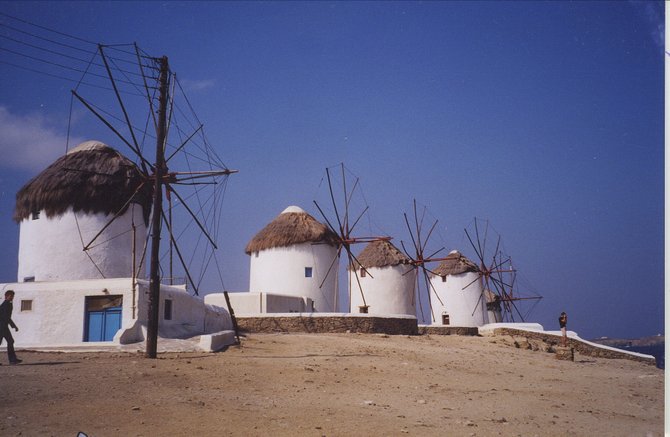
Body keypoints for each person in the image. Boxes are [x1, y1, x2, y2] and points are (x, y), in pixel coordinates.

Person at [0, 290, 22, 365]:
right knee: (10, 341)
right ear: (6, 296)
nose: (12, 297)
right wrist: (14, 326)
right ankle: (12, 360)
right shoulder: (6, 304)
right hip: (1, 326)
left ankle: (13, 360)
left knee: (10, 341)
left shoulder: (8, 304)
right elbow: (6, 317)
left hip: (3, 326)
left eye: (12, 296)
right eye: (11, 296)